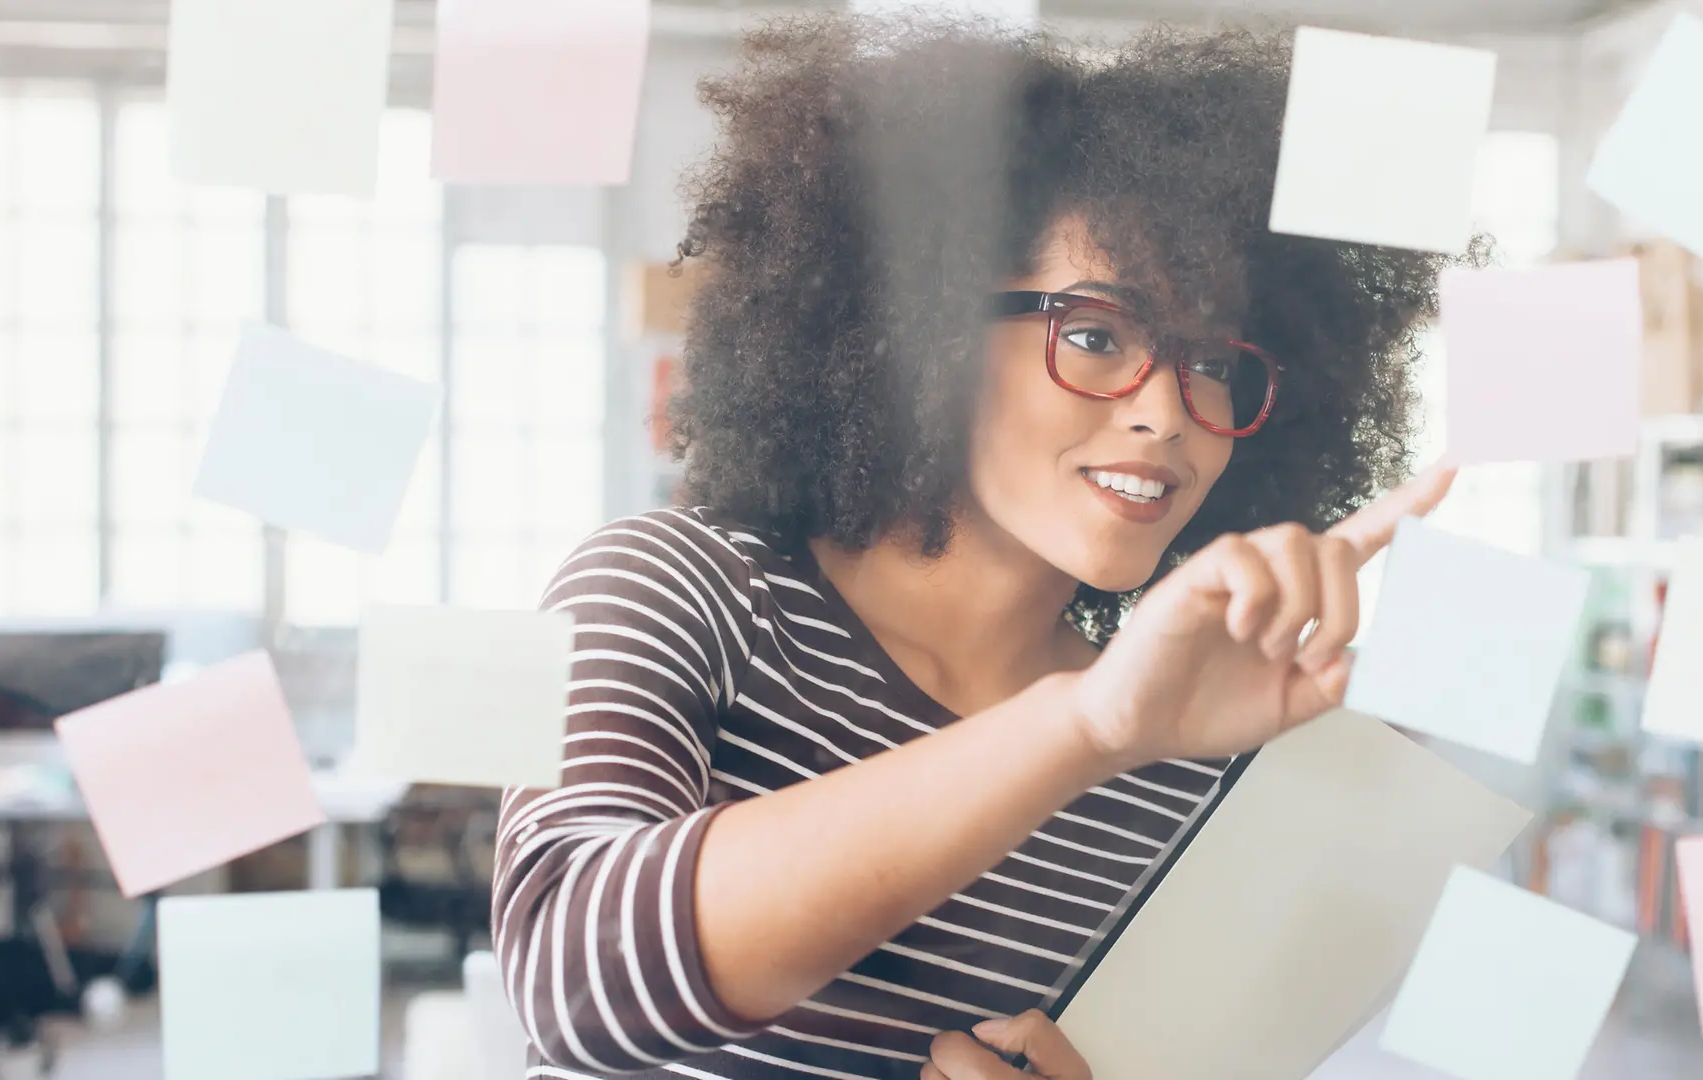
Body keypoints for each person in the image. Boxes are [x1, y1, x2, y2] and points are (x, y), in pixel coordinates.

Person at [492, 14, 1468, 1080]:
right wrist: (1083, 728)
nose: (1167, 413)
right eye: (1097, 334)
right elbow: (569, 978)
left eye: (1213, 363)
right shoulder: (677, 588)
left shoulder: (1184, 770)